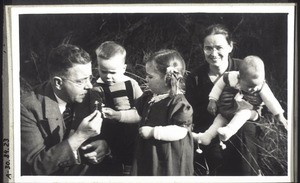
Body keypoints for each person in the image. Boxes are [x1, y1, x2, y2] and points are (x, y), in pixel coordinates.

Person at [185, 24, 263, 175]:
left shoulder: (245, 68)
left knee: (244, 135)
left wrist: (249, 113)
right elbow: (192, 112)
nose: (213, 53)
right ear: (203, 49)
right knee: (216, 159)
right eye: (208, 48)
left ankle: (252, 174)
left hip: (242, 128)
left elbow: (260, 104)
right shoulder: (195, 77)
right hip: (210, 129)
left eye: (219, 47)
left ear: (230, 46)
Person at [21, 44, 110, 175]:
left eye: (90, 78)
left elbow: (113, 135)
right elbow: (35, 167)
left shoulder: (91, 96)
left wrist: (105, 147)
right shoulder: (27, 108)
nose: (89, 86)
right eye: (81, 81)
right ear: (58, 83)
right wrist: (80, 136)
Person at [195, 55, 288, 146]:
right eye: (250, 86)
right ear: (239, 78)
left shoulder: (262, 86)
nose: (254, 89)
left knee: (244, 114)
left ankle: (228, 131)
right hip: (229, 110)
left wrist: (280, 116)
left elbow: (270, 100)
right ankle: (206, 137)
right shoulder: (230, 77)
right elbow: (218, 87)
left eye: (257, 85)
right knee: (220, 118)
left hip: (252, 112)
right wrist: (212, 100)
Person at [131, 49, 194, 176]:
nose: (146, 79)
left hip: (169, 155)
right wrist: (118, 115)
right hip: (151, 152)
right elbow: (135, 114)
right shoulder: (150, 97)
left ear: (167, 78)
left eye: (150, 76)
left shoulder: (178, 103)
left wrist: (153, 132)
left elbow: (181, 131)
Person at [92, 41, 143, 175]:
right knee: (112, 167)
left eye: (113, 72)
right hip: (109, 136)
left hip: (132, 134)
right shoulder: (96, 88)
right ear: (97, 66)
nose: (108, 76)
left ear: (124, 69)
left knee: (132, 164)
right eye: (103, 71)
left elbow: (143, 109)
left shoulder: (131, 84)